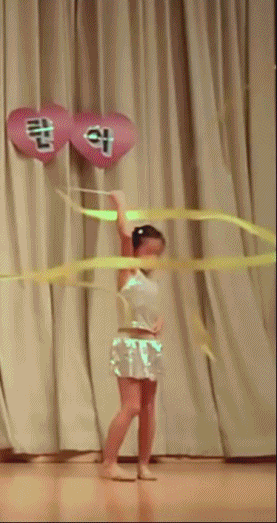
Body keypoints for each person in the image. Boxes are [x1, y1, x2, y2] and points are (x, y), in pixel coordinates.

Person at [101, 190, 166, 481]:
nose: (154, 259)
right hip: (129, 344)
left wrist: (159, 321)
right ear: (137, 251)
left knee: (149, 408)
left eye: (158, 254)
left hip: (150, 345)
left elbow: (151, 309)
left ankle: (143, 464)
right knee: (132, 406)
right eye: (149, 252)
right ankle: (109, 463)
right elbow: (126, 235)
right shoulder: (128, 273)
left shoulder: (151, 283)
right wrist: (121, 203)